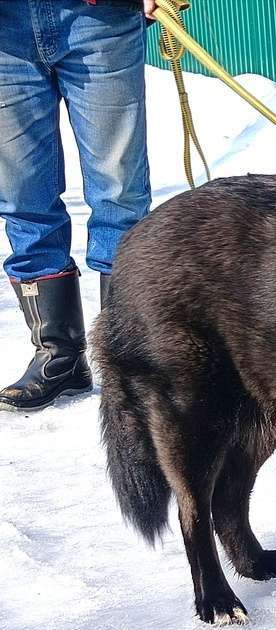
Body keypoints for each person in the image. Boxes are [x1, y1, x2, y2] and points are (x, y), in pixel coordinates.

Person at [0, 0, 157, 412]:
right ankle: (58, 356)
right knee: (22, 197)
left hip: (98, 18)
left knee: (119, 193)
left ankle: (126, 360)